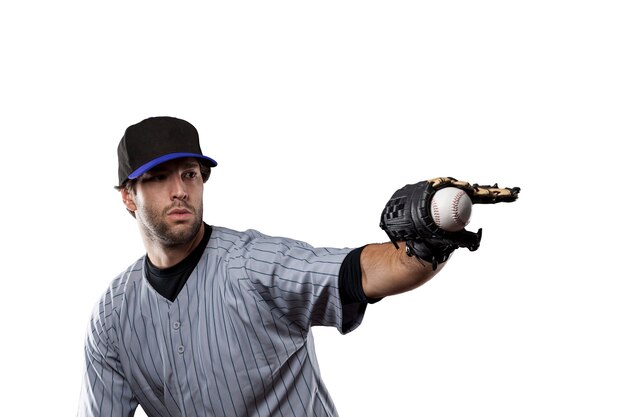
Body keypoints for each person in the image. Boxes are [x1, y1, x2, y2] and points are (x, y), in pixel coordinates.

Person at [77, 116, 519, 417]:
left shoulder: (252, 265)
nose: (179, 190)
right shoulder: (113, 319)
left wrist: (425, 245)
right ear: (128, 196)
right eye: (158, 178)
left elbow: (364, 273)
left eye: (189, 173)